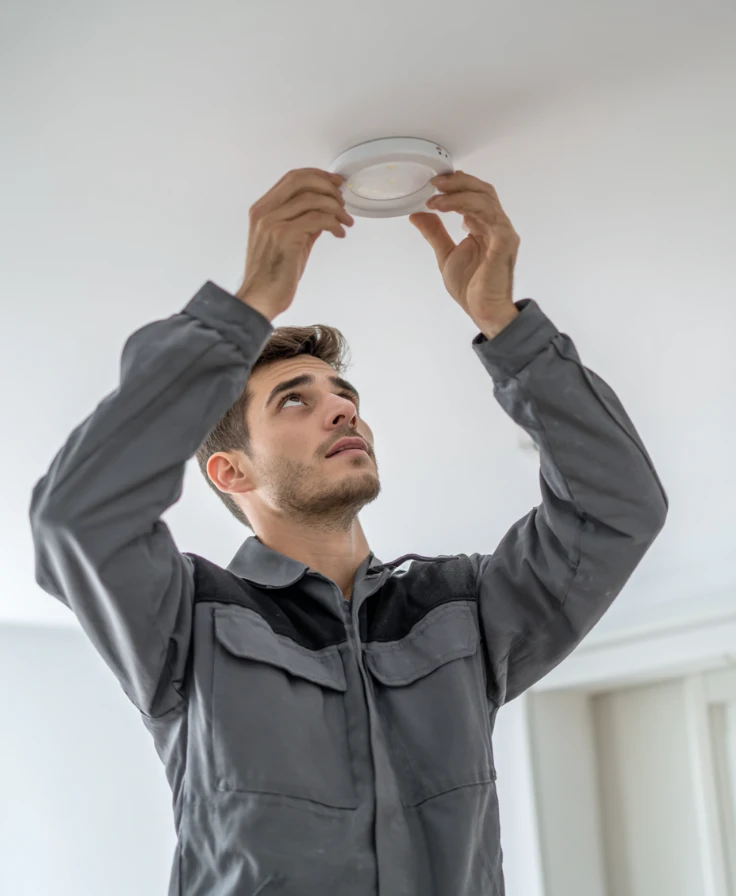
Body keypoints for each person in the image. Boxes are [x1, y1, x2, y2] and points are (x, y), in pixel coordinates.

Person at [29, 168, 668, 896]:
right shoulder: (186, 620)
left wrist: (507, 327)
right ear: (231, 472)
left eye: (345, 396)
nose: (342, 412)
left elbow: (617, 509)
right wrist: (243, 312)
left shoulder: (466, 613)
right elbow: (77, 516)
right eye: (295, 402)